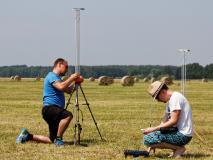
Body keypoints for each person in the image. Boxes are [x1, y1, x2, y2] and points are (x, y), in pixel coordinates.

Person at [16, 58, 84, 146]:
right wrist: (71, 78)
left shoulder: (58, 78)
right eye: (66, 67)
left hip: (54, 110)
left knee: (52, 139)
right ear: (59, 65)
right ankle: (59, 139)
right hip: (50, 108)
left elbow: (68, 90)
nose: (67, 69)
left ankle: (27, 136)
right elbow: (61, 87)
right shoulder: (51, 76)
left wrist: (77, 83)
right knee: (68, 115)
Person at [142, 81, 193, 158]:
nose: (158, 100)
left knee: (147, 139)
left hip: (183, 135)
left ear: (163, 92)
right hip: (177, 132)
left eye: (157, 97)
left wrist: (153, 130)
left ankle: (179, 148)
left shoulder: (175, 98)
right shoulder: (171, 101)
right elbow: (164, 122)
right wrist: (153, 133)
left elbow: (173, 121)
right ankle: (176, 149)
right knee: (150, 137)